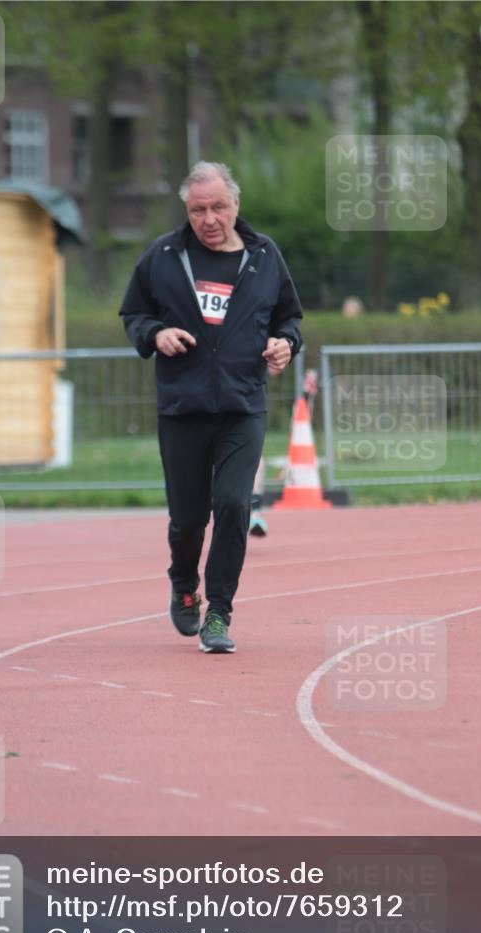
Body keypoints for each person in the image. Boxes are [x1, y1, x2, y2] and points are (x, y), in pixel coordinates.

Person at [120, 161, 302, 653]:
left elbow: (289, 319)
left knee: (234, 504)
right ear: (187, 210)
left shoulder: (264, 256)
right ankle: (184, 583)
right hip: (183, 406)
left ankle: (219, 612)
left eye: (218, 207)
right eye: (198, 210)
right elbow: (134, 312)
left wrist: (285, 344)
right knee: (187, 519)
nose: (209, 219)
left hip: (243, 405)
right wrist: (155, 333)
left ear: (235, 205)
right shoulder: (163, 255)